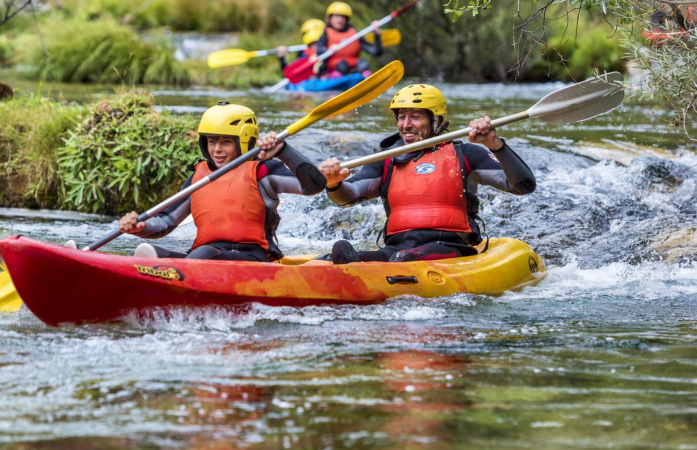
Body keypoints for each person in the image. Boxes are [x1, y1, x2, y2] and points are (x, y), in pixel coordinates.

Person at [317, 84, 537, 264]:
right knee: (331, 259)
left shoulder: (466, 154)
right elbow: (349, 195)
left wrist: (495, 144)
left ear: (437, 121)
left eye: (415, 117)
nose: (406, 124)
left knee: (404, 259)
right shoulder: (387, 160)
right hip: (396, 248)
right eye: (401, 117)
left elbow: (522, 185)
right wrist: (334, 184)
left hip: (450, 248)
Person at [117, 102, 326, 262]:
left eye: (225, 142)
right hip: (204, 257)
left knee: (205, 254)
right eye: (211, 141)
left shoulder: (263, 171)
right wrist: (140, 227)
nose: (217, 150)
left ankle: (179, 275)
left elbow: (314, 185)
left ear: (244, 141)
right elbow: (165, 222)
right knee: (151, 253)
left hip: (254, 259)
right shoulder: (198, 178)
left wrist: (283, 151)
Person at [315, 2, 382, 78]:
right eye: (337, 16)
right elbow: (319, 53)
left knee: (363, 62)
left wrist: (377, 35)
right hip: (334, 70)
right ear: (330, 18)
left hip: (354, 70)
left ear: (347, 19)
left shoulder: (355, 34)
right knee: (342, 64)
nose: (340, 20)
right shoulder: (326, 34)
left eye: (343, 17)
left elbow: (376, 52)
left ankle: (366, 78)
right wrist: (328, 50)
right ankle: (336, 78)